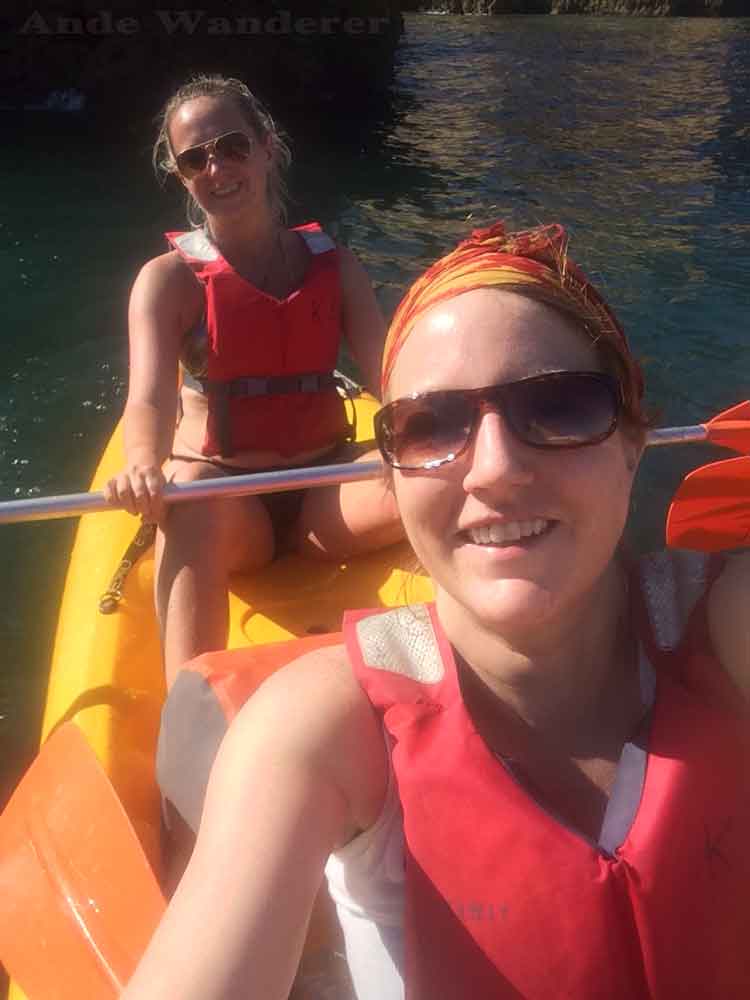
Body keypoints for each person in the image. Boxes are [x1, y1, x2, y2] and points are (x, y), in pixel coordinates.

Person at [123, 222, 750, 999]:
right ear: (391, 463)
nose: (494, 469)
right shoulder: (319, 731)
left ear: (632, 439)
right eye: (429, 424)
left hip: (315, 490)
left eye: (558, 406)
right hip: (231, 488)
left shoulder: (730, 629)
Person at [103, 75, 403, 688]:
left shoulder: (336, 265)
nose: (217, 167)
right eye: (194, 159)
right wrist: (141, 463)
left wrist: (441, 437)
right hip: (227, 502)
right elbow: (150, 398)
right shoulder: (167, 282)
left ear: (267, 146)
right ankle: (194, 719)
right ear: (181, 175)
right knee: (188, 504)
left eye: (233, 146)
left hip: (327, 488)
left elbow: (391, 377)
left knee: (450, 472)